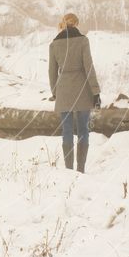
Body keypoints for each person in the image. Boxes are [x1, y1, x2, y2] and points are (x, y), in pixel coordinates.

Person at [48, 13, 101, 173]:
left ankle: (68, 170)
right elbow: (89, 67)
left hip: (63, 90)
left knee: (67, 130)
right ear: (76, 24)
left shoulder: (54, 44)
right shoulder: (83, 41)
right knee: (83, 129)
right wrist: (96, 91)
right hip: (82, 89)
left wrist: (55, 92)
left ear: (63, 24)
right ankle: (80, 169)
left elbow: (52, 71)